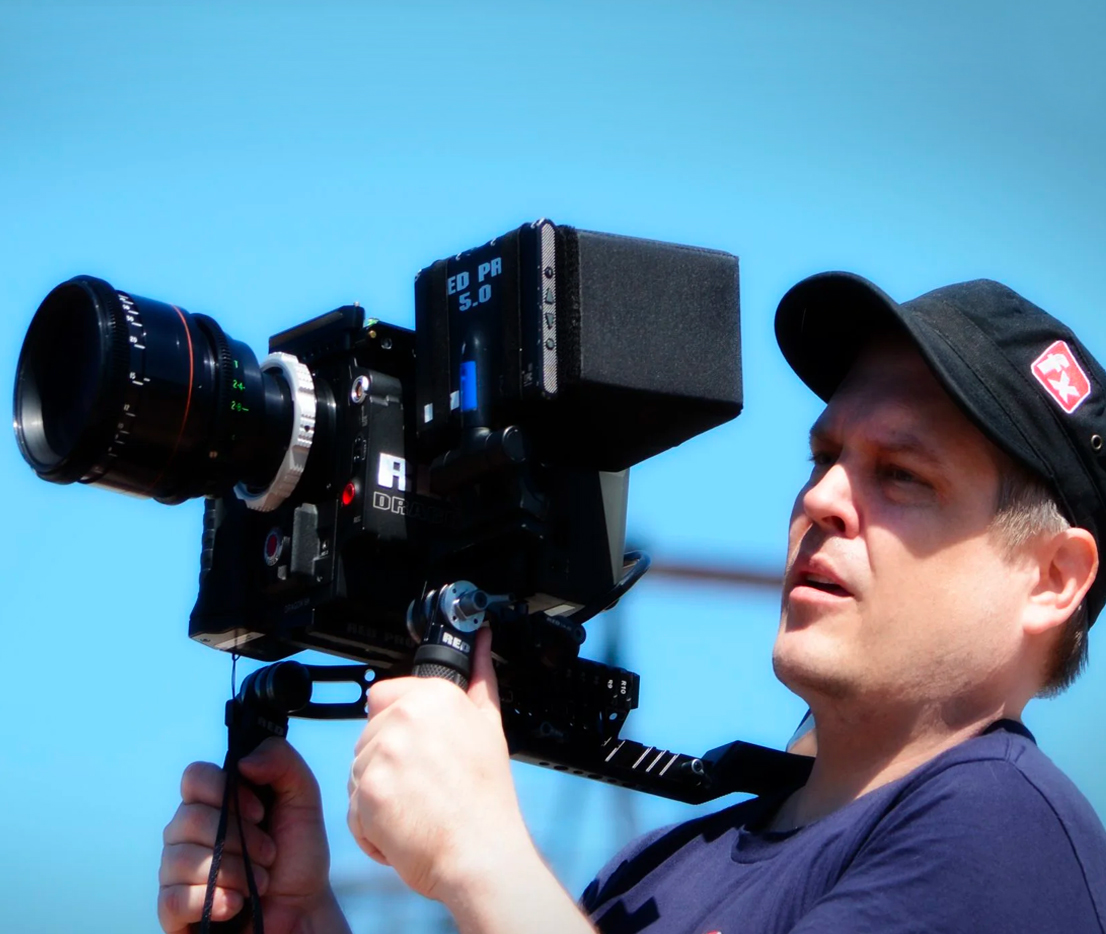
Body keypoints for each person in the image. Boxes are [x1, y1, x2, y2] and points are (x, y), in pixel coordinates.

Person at [157, 272, 1106, 934]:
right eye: (824, 457)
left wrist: (481, 859)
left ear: (1053, 578)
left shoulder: (1002, 837)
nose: (821, 499)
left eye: (901, 475)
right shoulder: (668, 867)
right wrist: (302, 921)